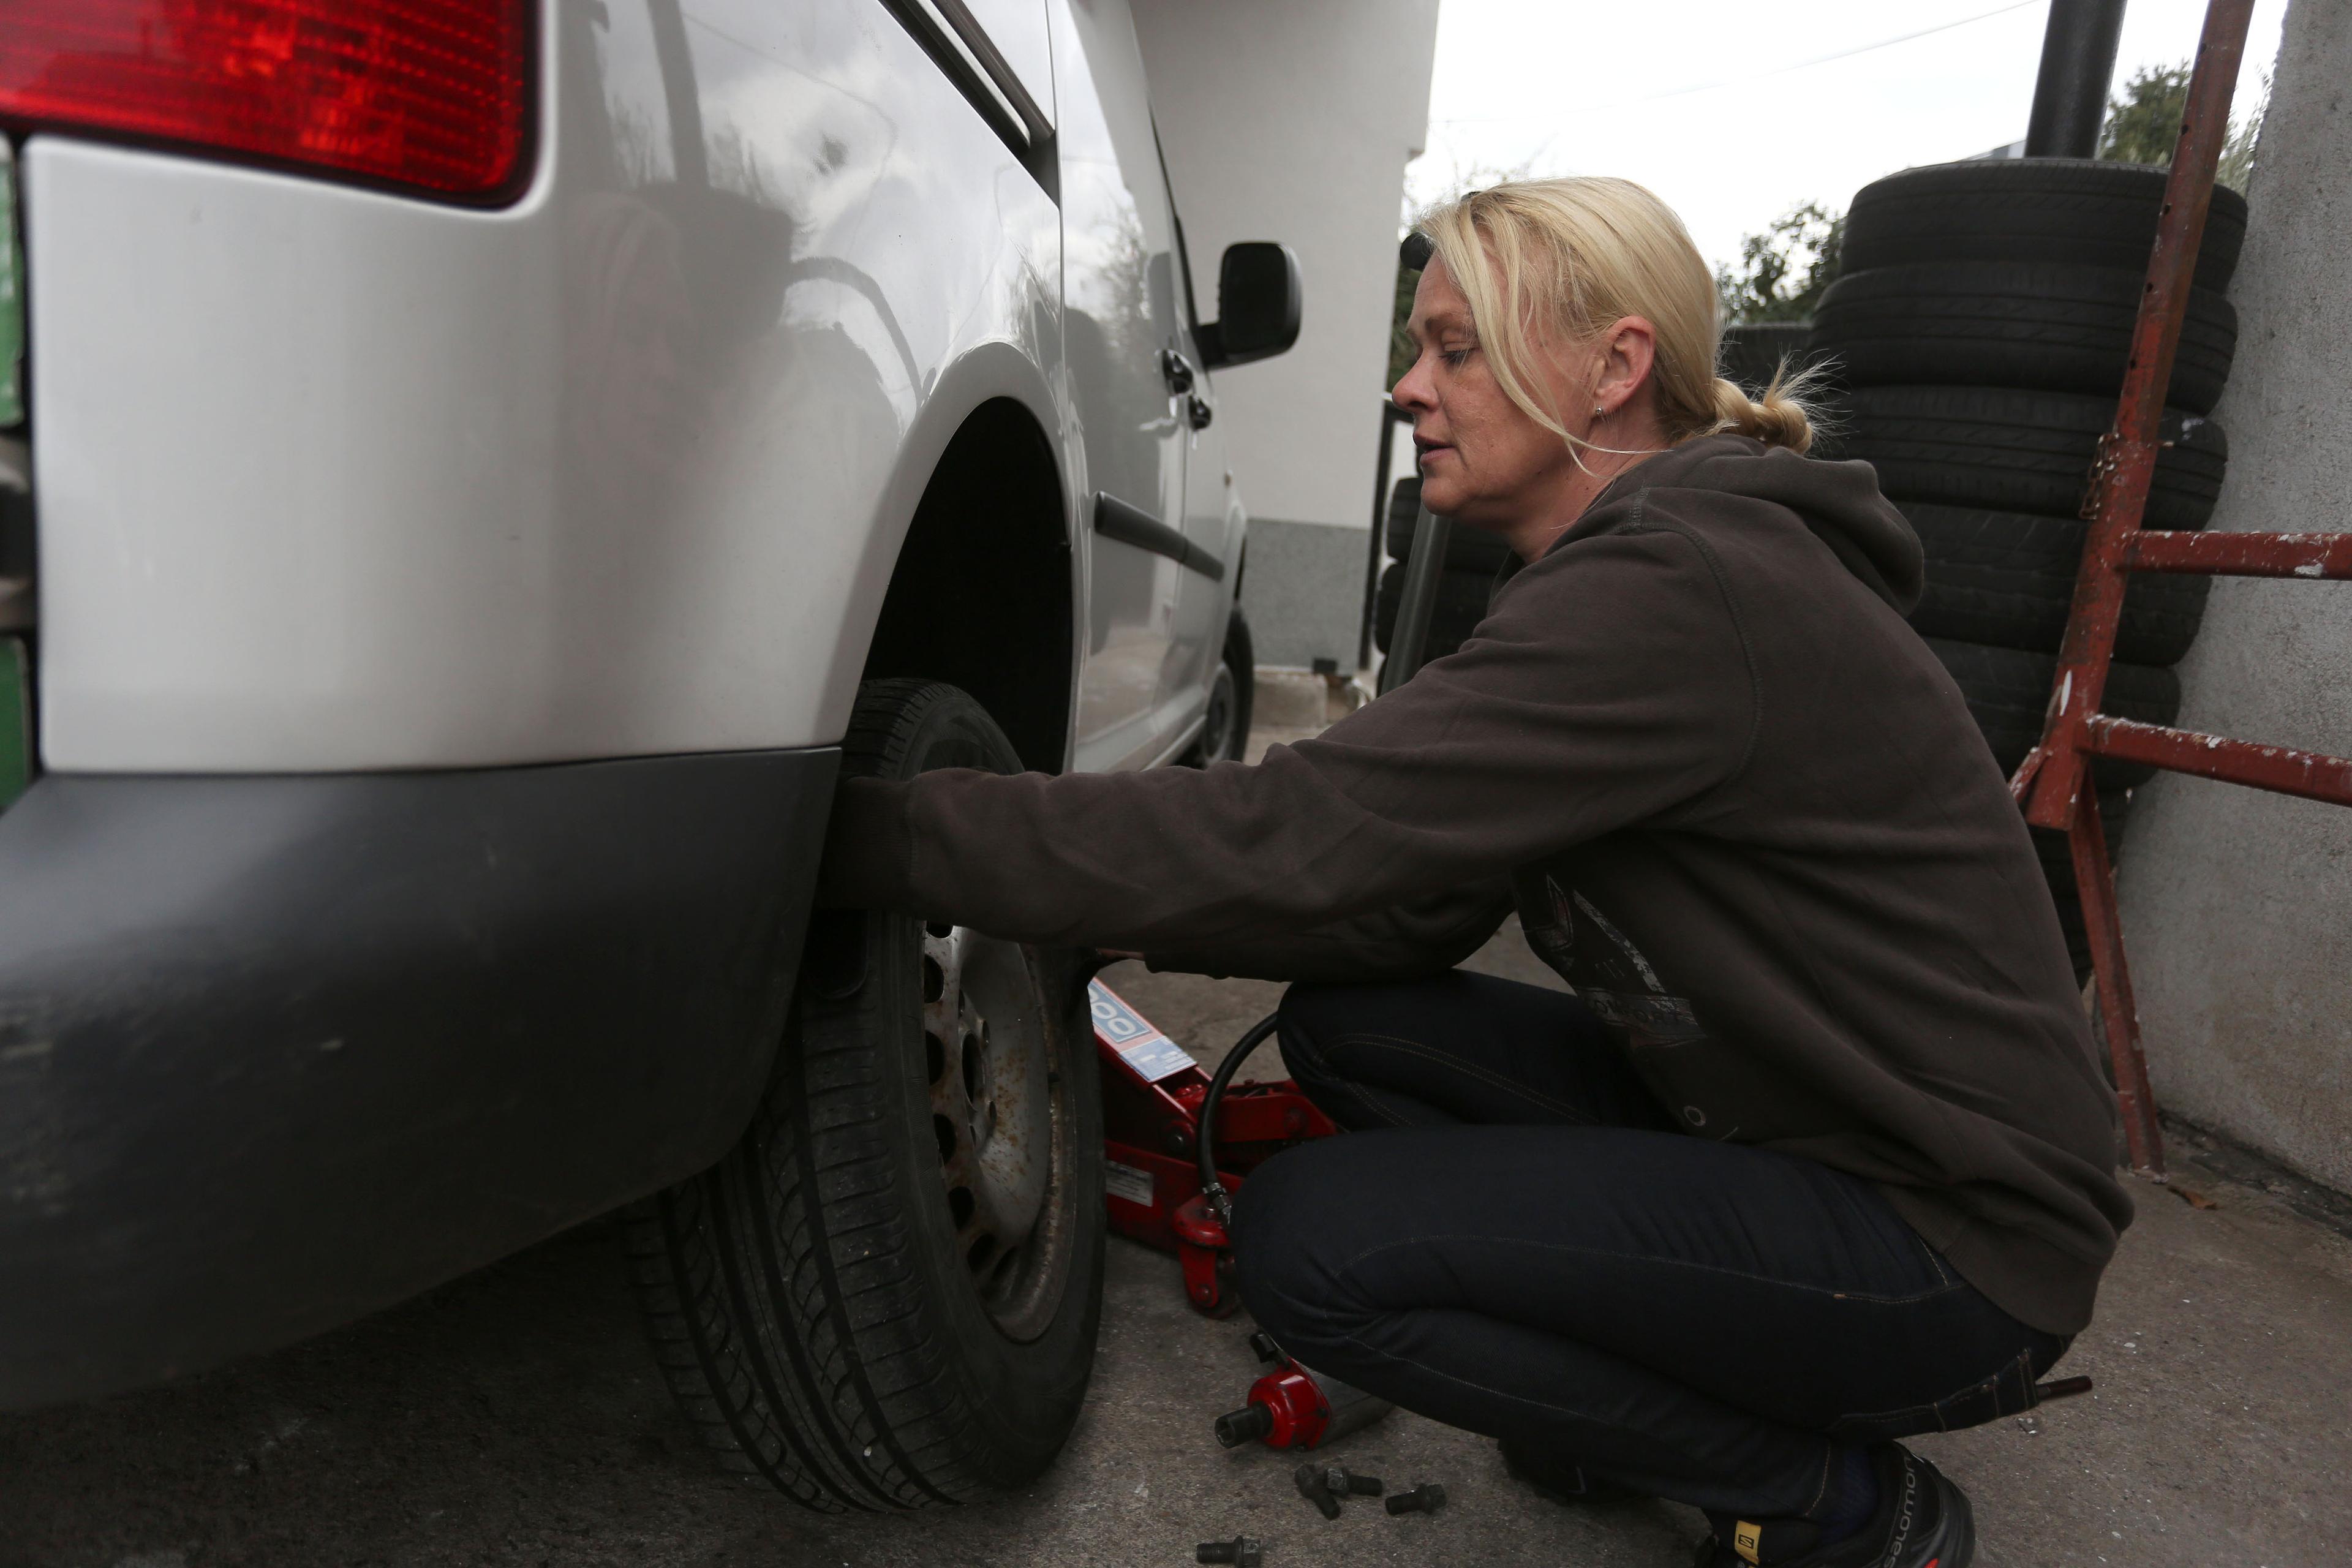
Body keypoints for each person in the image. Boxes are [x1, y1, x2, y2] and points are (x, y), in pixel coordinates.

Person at [818, 177, 2128, 1568]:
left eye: (1454, 348)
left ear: (1615, 368)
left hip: (1955, 1242)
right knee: (1349, 1028)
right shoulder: (1626, 575)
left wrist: (869, 834)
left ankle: (1835, 1504)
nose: (1406, 387)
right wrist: (1105, 922)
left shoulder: (1680, 588)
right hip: (1795, 1128)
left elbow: (1297, 830)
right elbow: (1404, 896)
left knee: (1312, 1246)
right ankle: (1631, 1378)